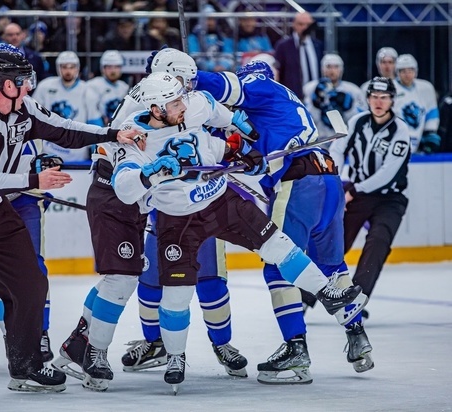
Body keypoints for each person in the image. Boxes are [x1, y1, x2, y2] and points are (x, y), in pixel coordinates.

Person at [0, 49, 143, 406]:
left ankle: (25, 367)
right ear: (6, 84)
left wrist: (112, 134)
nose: (30, 85)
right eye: (24, 80)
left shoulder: (25, 108)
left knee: (32, 283)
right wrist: (36, 178)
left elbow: (65, 130)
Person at [111, 71, 365, 391]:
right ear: (157, 109)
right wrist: (149, 175)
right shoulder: (134, 135)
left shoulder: (195, 104)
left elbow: (225, 117)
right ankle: (175, 356)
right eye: (174, 101)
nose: (183, 104)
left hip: (221, 201)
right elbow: (124, 187)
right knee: (177, 293)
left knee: (277, 243)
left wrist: (243, 140)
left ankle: (326, 293)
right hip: (178, 220)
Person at [51, 51, 255, 391]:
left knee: (131, 277)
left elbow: (208, 111)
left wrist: (233, 126)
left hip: (146, 195)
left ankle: (81, 342)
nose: (187, 91)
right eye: (182, 84)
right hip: (124, 193)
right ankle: (98, 347)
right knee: (125, 277)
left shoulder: (164, 99)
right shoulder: (143, 113)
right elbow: (131, 175)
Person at [192, 58, 373, 381]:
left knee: (278, 263)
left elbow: (223, 86)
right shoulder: (283, 106)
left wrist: (188, 76)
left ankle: (296, 349)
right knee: (332, 266)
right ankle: (357, 336)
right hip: (329, 182)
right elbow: (262, 158)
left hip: (300, 185)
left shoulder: (260, 87)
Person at [331, 76, 410, 318]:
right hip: (357, 195)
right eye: (374, 97)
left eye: (384, 97)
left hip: (389, 199)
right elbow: (337, 150)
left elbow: (388, 173)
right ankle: (305, 298)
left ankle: (356, 299)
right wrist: (335, 183)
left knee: (378, 242)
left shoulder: (400, 130)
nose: (378, 102)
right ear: (367, 99)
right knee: (335, 241)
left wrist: (351, 191)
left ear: (392, 100)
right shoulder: (357, 122)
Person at [34, 51, 104, 161]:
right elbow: (34, 116)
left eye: (72, 67)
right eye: (64, 67)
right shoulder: (45, 87)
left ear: (77, 69)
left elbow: (94, 123)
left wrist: (96, 152)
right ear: (58, 68)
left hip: (78, 156)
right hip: (49, 153)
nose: (68, 71)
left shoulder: (87, 90)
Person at [303, 53, 365, 142]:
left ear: (341, 69)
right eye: (328, 66)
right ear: (322, 68)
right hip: (318, 139)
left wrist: (349, 108)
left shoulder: (353, 90)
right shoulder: (310, 88)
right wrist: (315, 104)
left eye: (336, 67)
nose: (332, 70)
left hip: (343, 139)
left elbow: (360, 121)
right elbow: (305, 120)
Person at [393, 54, 440, 153]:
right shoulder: (390, 89)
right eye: (403, 71)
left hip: (419, 139)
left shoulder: (426, 88)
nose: (407, 74)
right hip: (395, 139)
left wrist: (429, 132)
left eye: (410, 70)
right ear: (397, 72)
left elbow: (432, 112)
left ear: (416, 71)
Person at [274, 11, 323, 100]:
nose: (304, 28)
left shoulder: (318, 45)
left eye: (308, 25)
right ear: (294, 25)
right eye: (301, 24)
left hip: (316, 98)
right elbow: (277, 72)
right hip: (293, 97)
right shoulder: (283, 46)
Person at [85, 50, 129, 126]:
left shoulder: (124, 87)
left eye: (116, 67)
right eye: (109, 67)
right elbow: (91, 112)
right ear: (103, 68)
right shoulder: (93, 85)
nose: (113, 71)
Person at [188, 4, 234, 72]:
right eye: (207, 19)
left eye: (212, 19)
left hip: (223, 70)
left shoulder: (223, 36)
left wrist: (224, 65)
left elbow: (229, 54)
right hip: (202, 72)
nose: (210, 23)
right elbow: (194, 56)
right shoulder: (193, 38)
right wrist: (211, 67)